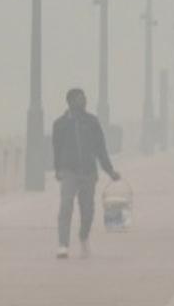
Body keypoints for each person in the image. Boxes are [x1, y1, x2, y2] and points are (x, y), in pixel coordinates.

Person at [51, 88, 120, 259]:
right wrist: (57, 169)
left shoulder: (92, 122)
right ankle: (63, 244)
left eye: (84, 98)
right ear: (70, 101)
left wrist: (110, 170)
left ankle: (83, 236)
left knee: (88, 209)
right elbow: (56, 149)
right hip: (69, 172)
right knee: (66, 206)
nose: (84, 101)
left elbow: (100, 148)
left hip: (88, 172)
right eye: (80, 99)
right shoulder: (60, 124)